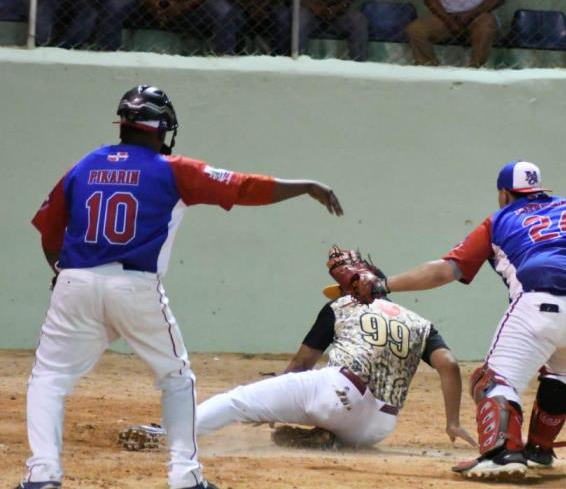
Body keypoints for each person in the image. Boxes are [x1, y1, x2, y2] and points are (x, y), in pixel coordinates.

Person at [19, 85, 344, 489]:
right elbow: (242, 187)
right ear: (162, 128)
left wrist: (61, 273)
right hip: (135, 286)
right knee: (176, 378)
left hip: (74, 282)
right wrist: (306, 185)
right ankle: (185, 476)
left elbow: (49, 233)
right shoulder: (171, 168)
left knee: (49, 378)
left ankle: (43, 475)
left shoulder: (84, 165)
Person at [342, 160, 566, 479]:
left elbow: (446, 270)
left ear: (505, 194)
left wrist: (383, 285)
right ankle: (539, 449)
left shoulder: (499, 220)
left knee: (493, 382)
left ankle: (502, 453)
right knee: (562, 373)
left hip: (542, 301)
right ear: (540, 190)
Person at [119, 252, 475, 452]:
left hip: (337, 393)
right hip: (379, 426)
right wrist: (452, 421)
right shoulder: (419, 322)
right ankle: (331, 435)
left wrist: (272, 403)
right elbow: (448, 364)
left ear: (358, 286)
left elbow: (302, 364)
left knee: (239, 401)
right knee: (333, 410)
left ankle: (171, 434)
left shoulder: (345, 306)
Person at [95, 0, 245, 53]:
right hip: (142, 1)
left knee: (224, 11)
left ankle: (224, 61)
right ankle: (107, 56)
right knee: (114, 5)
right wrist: (149, 1)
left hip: (190, 3)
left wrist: (184, 5)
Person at [405, 0, 509, 68]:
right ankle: (429, 71)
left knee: (486, 26)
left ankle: (474, 70)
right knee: (415, 30)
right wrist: (448, 21)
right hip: (445, 16)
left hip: (479, 15)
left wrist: (470, 16)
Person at [270, 0, 369, 61]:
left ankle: (359, 63)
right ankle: (299, 60)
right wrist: (314, 7)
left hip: (334, 10)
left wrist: (337, 8)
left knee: (358, 20)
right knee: (300, 17)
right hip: (305, 7)